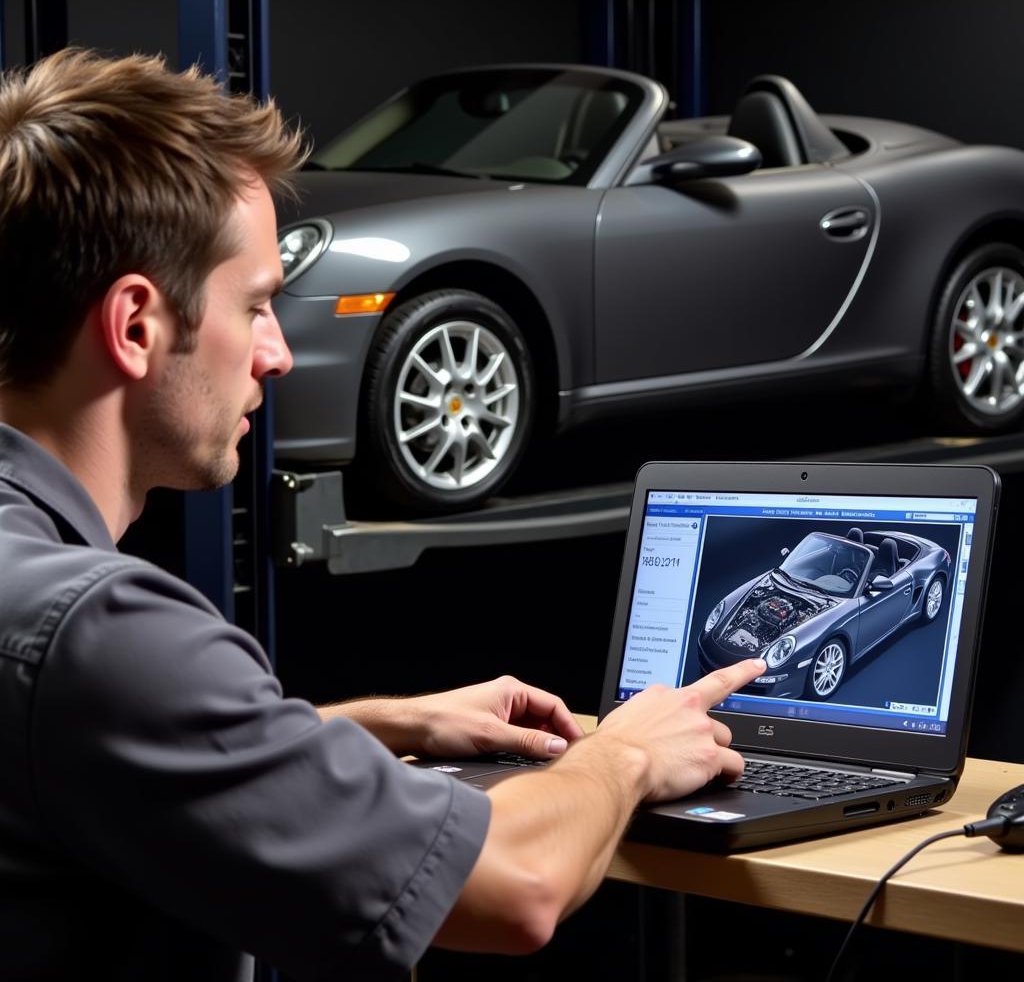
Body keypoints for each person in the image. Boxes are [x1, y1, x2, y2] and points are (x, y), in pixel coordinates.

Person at [0, 49, 764, 981]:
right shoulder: (98, 635)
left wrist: (371, 725)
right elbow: (516, 886)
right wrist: (629, 755)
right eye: (257, 307)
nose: (276, 356)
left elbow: (106, 760)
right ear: (134, 327)